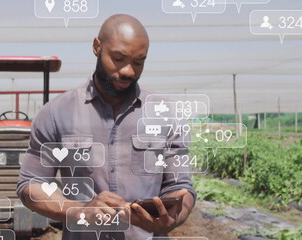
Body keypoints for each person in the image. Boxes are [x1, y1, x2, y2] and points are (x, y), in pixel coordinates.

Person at [17, 14, 196, 239]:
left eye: (139, 61)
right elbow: (30, 185)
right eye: (119, 58)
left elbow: (181, 187)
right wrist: (79, 210)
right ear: (96, 47)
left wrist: (174, 218)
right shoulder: (56, 113)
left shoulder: (167, 114)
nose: (129, 71)